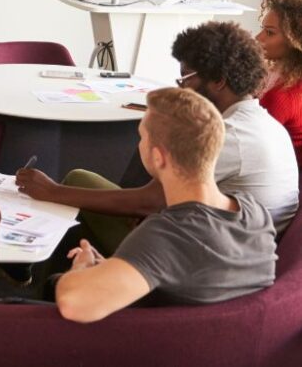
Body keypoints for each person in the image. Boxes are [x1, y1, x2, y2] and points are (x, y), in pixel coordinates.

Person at [17, 21, 298, 252]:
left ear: (219, 81)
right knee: (81, 181)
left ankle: (47, 282)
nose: (182, 87)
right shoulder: (260, 123)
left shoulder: (231, 137)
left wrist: (53, 192)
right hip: (221, 238)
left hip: (206, 255)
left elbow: (151, 201)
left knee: (70, 195)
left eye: (186, 78)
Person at [54, 87, 276, 323]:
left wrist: (81, 267)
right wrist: (114, 268)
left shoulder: (166, 235)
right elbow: (195, 274)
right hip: (220, 338)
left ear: (158, 157)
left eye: (142, 137)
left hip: (145, 337)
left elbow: (72, 303)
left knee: (54, 283)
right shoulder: (256, 214)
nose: (139, 143)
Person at [256, 0, 302, 160]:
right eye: (262, 29)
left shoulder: (281, 96)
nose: (258, 37)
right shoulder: (283, 75)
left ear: (294, 40)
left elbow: (251, 141)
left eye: (269, 33)